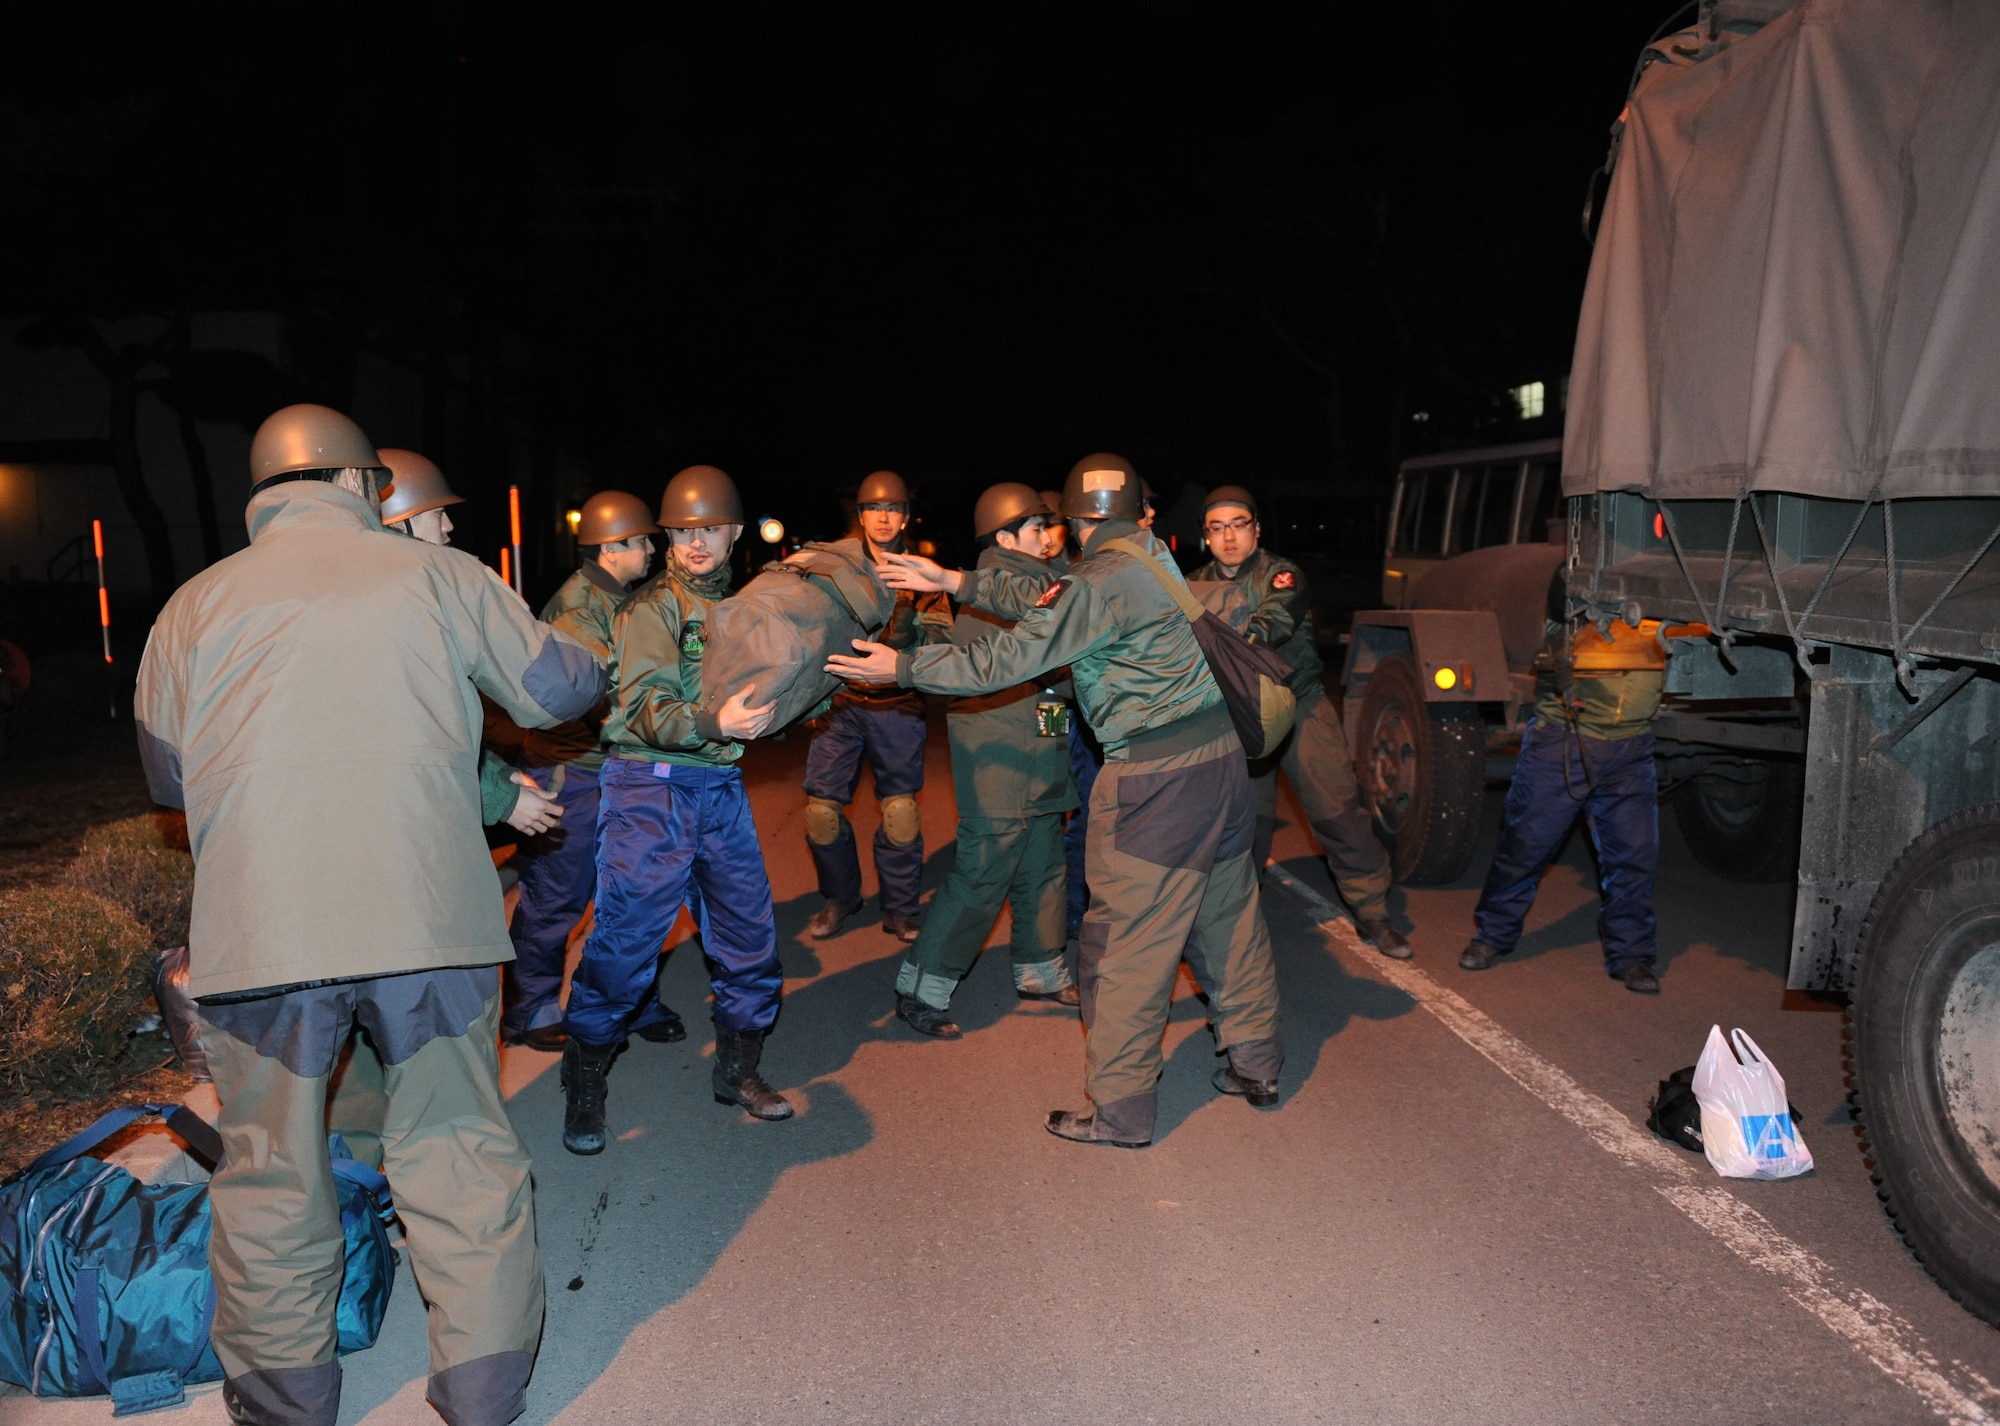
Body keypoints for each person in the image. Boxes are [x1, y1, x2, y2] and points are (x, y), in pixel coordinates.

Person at [135, 403, 604, 1426]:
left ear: (260, 497)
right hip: (427, 931)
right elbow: (562, 689)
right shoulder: (439, 579)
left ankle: (286, 1401)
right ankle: (481, 1389)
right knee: (457, 1144)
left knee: (268, 1168)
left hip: (261, 940)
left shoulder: (191, 606)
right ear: (362, 486)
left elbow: (169, 779)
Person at [831, 452, 1283, 1149]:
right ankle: (1257, 1066)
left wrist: (906, 667)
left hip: (1157, 782)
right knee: (1227, 918)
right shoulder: (1153, 558)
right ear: (1140, 512)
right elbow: (1053, 598)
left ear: (1075, 522)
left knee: (1122, 947)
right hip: (1222, 766)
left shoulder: (1099, 579)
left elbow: (1010, 655)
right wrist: (955, 578)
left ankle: (1123, 1111)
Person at [560, 464, 790, 1156]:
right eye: (684, 531)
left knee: (750, 937)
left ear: (734, 534)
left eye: (710, 530)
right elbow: (641, 708)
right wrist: (717, 720)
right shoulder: (650, 609)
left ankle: (738, 1070)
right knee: (626, 942)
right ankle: (585, 1074)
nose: (696, 543)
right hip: (649, 788)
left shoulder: (745, 608)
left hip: (717, 788)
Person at [1191, 485, 1411, 959]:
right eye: (1217, 527)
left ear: (1256, 528)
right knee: (1241, 825)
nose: (1229, 536)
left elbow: (1276, 617)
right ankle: (1236, 927)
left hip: (1299, 705)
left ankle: (1373, 912)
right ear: (1205, 535)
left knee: (1337, 811)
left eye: (1239, 524)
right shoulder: (1193, 585)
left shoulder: (1281, 574)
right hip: (1239, 713)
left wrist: (1237, 635)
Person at [892, 483, 1079, 1037]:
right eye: (1035, 528)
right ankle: (921, 987)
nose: (1047, 536)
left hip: (1040, 739)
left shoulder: (1040, 579)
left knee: (1044, 862)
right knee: (983, 869)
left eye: (1047, 527)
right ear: (1003, 537)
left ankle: (1043, 970)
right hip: (1002, 747)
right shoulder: (1004, 585)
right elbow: (1042, 662)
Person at [501, 489, 682, 1052]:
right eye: (641, 541)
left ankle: (629, 999)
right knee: (556, 897)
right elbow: (600, 700)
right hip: (574, 771)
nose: (652, 549)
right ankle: (529, 1010)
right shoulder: (581, 612)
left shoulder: (622, 597)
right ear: (611, 547)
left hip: (614, 767)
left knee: (632, 893)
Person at [1461, 572, 1665, 993]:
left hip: (1631, 746)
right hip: (1564, 742)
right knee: (1526, 845)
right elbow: (1559, 604)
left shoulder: (1664, 586)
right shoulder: (1580, 579)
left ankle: (1631, 956)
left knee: (1633, 857)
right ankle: (1492, 935)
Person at [801, 469, 953, 941]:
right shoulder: (835, 565)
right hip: (841, 702)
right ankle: (840, 897)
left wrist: (913, 658)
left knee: (900, 812)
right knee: (821, 812)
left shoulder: (922, 573)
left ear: (906, 516)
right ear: (861, 515)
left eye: (893, 509)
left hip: (897, 704)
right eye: (874, 509)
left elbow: (941, 638)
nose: (883, 518)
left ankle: (901, 909)